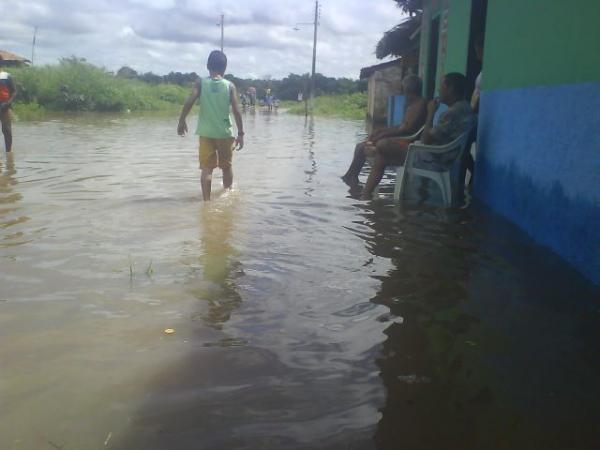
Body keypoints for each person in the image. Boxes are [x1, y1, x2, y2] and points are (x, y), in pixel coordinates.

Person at [361, 72, 474, 199]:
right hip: (441, 156)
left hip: (435, 159)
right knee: (381, 157)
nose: (438, 89)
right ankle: (365, 196)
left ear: (450, 89)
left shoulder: (452, 113)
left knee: (383, 145)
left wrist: (431, 113)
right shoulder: (465, 108)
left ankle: (365, 196)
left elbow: (425, 140)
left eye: (441, 86)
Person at [177, 50, 244, 201]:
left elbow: (190, 100)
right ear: (225, 68)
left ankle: (206, 202)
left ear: (207, 65)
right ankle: (227, 197)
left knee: (207, 169)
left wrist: (182, 120)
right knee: (226, 167)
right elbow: (236, 111)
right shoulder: (230, 86)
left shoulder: (200, 83)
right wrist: (241, 133)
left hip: (206, 133)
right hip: (225, 133)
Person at [342, 75, 426, 187]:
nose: (402, 91)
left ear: (409, 89)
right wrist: (381, 131)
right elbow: (402, 126)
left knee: (362, 147)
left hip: (405, 144)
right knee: (360, 146)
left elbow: (406, 130)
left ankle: (351, 178)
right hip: (401, 139)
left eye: (403, 88)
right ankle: (351, 177)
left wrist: (382, 135)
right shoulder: (412, 104)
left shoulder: (419, 105)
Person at [0, 67, 17, 153]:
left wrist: (8, 103)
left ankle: (9, 152)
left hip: (4, 106)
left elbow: (14, 91)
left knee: (6, 130)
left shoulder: (6, 76)